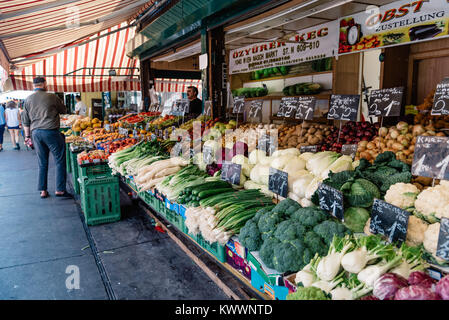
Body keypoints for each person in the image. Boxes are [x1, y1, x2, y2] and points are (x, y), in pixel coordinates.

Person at [22, 77, 70, 199]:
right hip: (51, 132)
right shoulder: (52, 97)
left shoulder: (28, 100)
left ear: (34, 85)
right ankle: (60, 190)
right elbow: (63, 110)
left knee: (42, 162)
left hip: (35, 133)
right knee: (59, 160)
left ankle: (43, 190)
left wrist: (27, 137)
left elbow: (25, 122)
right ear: (44, 84)